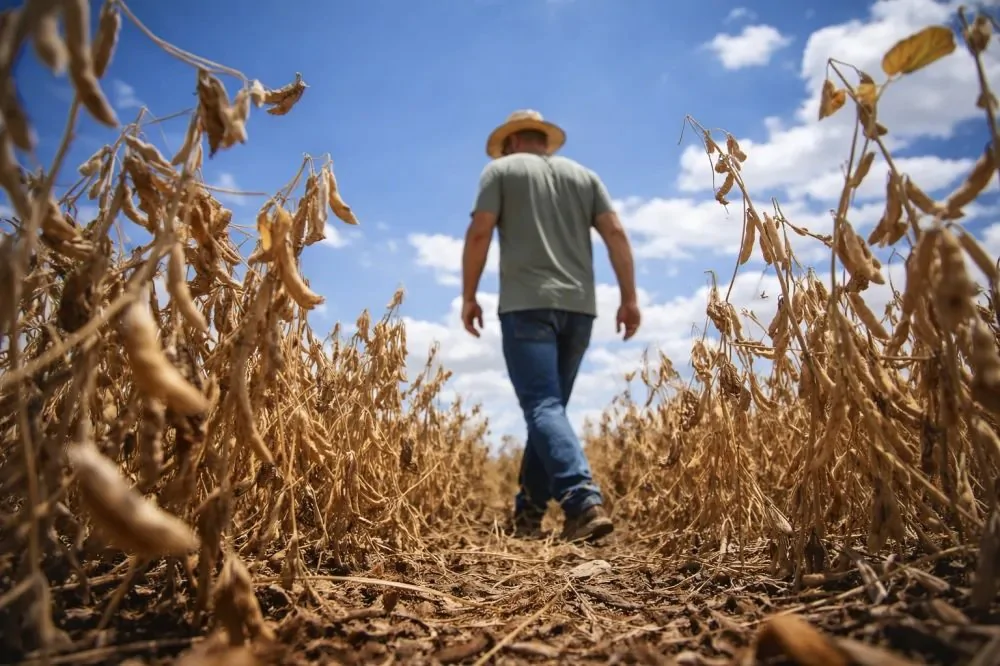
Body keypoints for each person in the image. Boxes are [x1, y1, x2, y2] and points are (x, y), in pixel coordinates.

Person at [460, 109, 641, 542]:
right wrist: (630, 297)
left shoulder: (500, 170)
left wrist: (469, 295)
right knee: (549, 409)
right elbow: (615, 233)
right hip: (580, 308)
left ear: (510, 143)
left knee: (542, 406)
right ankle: (529, 514)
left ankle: (582, 501)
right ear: (542, 140)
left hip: (526, 305)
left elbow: (480, 232)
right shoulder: (584, 176)